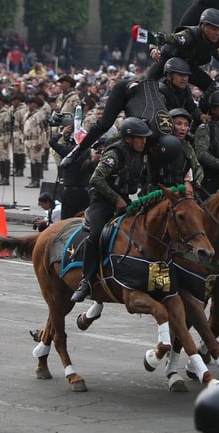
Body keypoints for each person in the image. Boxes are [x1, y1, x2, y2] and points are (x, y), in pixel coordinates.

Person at [71, 117, 151, 303]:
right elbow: (96, 179)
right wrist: (116, 200)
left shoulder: (139, 153)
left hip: (124, 199)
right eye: (140, 137)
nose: (144, 141)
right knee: (97, 234)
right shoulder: (114, 154)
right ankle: (87, 280)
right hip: (102, 201)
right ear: (129, 138)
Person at [147, 8, 219, 91]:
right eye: (214, 29)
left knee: (212, 89)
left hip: (189, 66)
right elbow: (157, 37)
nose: (218, 33)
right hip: (168, 63)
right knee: (147, 85)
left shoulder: (215, 40)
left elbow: (214, 51)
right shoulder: (187, 36)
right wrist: (153, 48)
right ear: (203, 26)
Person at [51, 124, 105, 219]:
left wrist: (62, 133)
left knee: (67, 220)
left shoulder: (68, 152)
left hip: (70, 192)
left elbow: (52, 142)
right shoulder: (90, 155)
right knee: (84, 218)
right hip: (85, 191)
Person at [143, 109, 203, 193]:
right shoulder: (156, 143)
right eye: (179, 124)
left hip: (180, 190)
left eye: (186, 125)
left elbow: (196, 166)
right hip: (156, 191)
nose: (183, 128)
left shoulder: (187, 146)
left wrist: (195, 180)